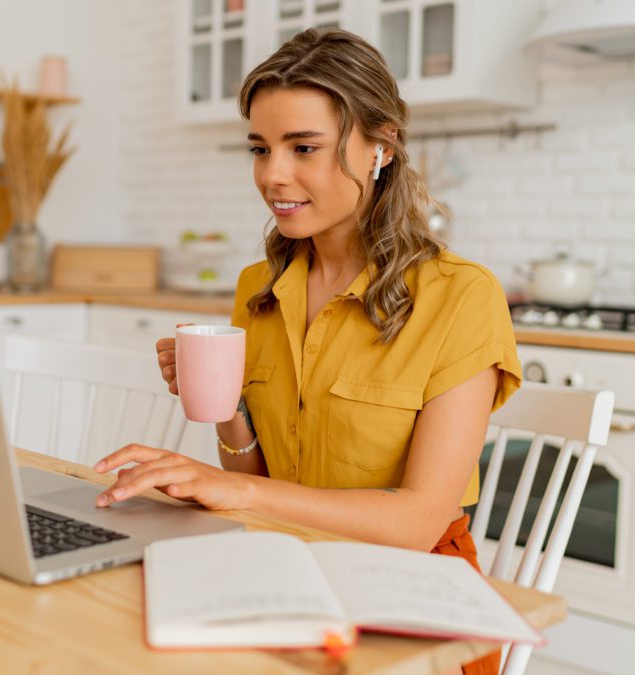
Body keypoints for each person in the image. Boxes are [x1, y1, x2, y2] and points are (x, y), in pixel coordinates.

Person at [93, 28, 521, 675]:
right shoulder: (256, 290)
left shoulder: (461, 297)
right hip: (283, 566)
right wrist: (229, 409)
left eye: (304, 148)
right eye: (260, 148)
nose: (272, 174)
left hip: (409, 597)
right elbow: (261, 479)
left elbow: (416, 521)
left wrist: (230, 489)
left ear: (381, 146)